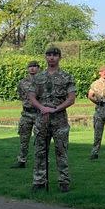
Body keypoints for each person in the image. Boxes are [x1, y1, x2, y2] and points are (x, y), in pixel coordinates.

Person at [28, 46, 77, 193]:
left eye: (55, 55)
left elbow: (71, 98)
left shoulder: (67, 77)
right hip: (41, 119)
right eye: (49, 55)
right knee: (39, 151)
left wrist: (56, 108)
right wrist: (42, 108)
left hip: (59, 120)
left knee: (61, 152)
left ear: (60, 57)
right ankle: (39, 182)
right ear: (45, 57)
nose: (51, 58)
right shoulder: (38, 78)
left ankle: (64, 182)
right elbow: (31, 96)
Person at [10, 61, 41, 168]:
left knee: (40, 139)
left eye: (34, 66)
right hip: (26, 114)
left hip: (39, 114)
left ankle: (40, 162)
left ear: (38, 68)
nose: (32, 69)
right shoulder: (22, 82)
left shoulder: (43, 81)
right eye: (30, 66)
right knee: (24, 139)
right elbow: (21, 96)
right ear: (27, 69)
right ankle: (21, 161)